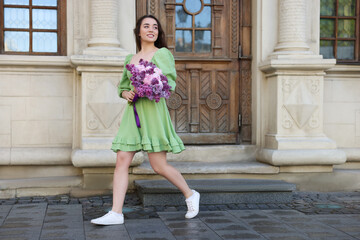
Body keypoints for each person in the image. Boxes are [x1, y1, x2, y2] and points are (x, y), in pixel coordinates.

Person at [91, 15, 200, 225]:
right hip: (133, 114)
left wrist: (147, 87)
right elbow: (122, 87)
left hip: (153, 112)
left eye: (155, 27)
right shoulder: (129, 59)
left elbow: (169, 83)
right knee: (122, 159)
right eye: (146, 26)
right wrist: (126, 94)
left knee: (158, 165)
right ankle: (116, 213)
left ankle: (190, 194)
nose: (151, 29)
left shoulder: (162, 54)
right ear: (138, 32)